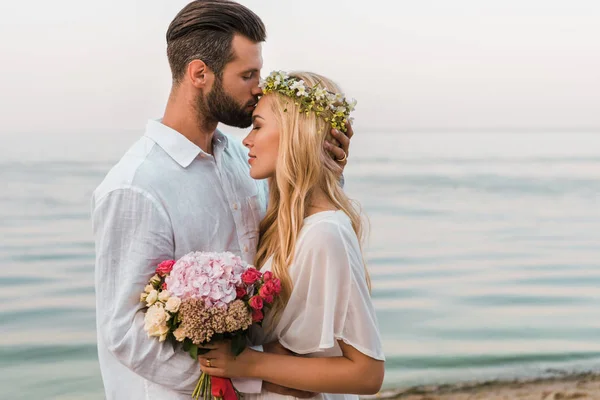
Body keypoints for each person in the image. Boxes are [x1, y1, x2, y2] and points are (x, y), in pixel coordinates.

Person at [91, 2, 351, 399]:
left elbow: (297, 232)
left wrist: (326, 168)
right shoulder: (137, 185)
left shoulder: (239, 156)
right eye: (247, 75)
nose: (260, 87)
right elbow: (125, 331)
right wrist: (249, 384)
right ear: (199, 74)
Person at [197, 71, 385, 399]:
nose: (246, 140)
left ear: (296, 133)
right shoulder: (287, 225)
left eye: (257, 125)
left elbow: (367, 373)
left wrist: (247, 364)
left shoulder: (326, 233)